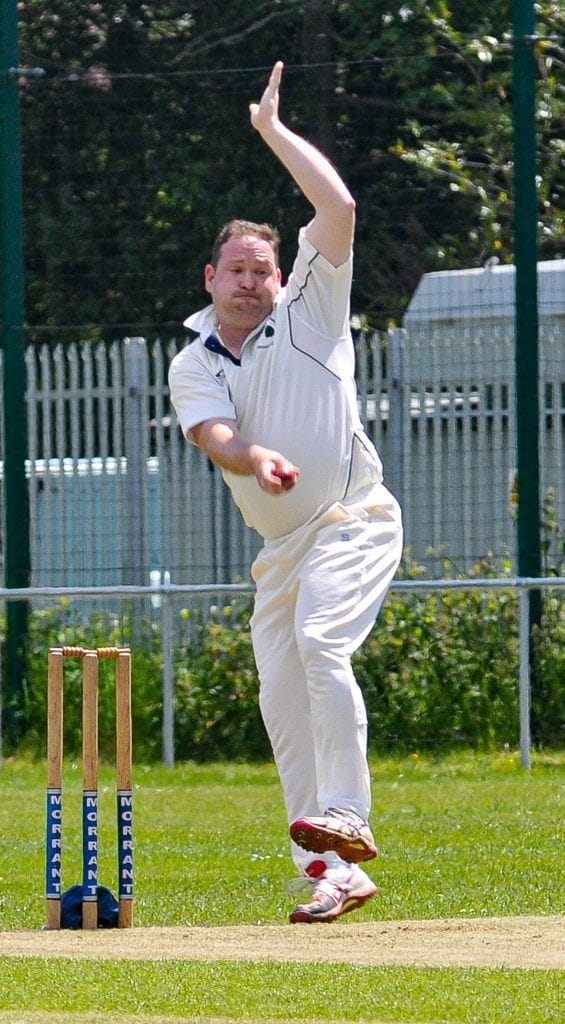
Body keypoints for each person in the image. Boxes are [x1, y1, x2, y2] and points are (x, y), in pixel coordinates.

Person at [169, 61, 403, 923]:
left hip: (353, 518)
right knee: (281, 697)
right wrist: (254, 456)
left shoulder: (310, 309)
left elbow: (336, 211)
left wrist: (271, 132)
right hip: (282, 549)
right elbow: (216, 437)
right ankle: (329, 868)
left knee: (320, 645)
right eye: (234, 268)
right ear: (209, 278)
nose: (249, 280)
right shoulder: (193, 361)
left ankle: (349, 814)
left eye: (260, 267)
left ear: (280, 275)